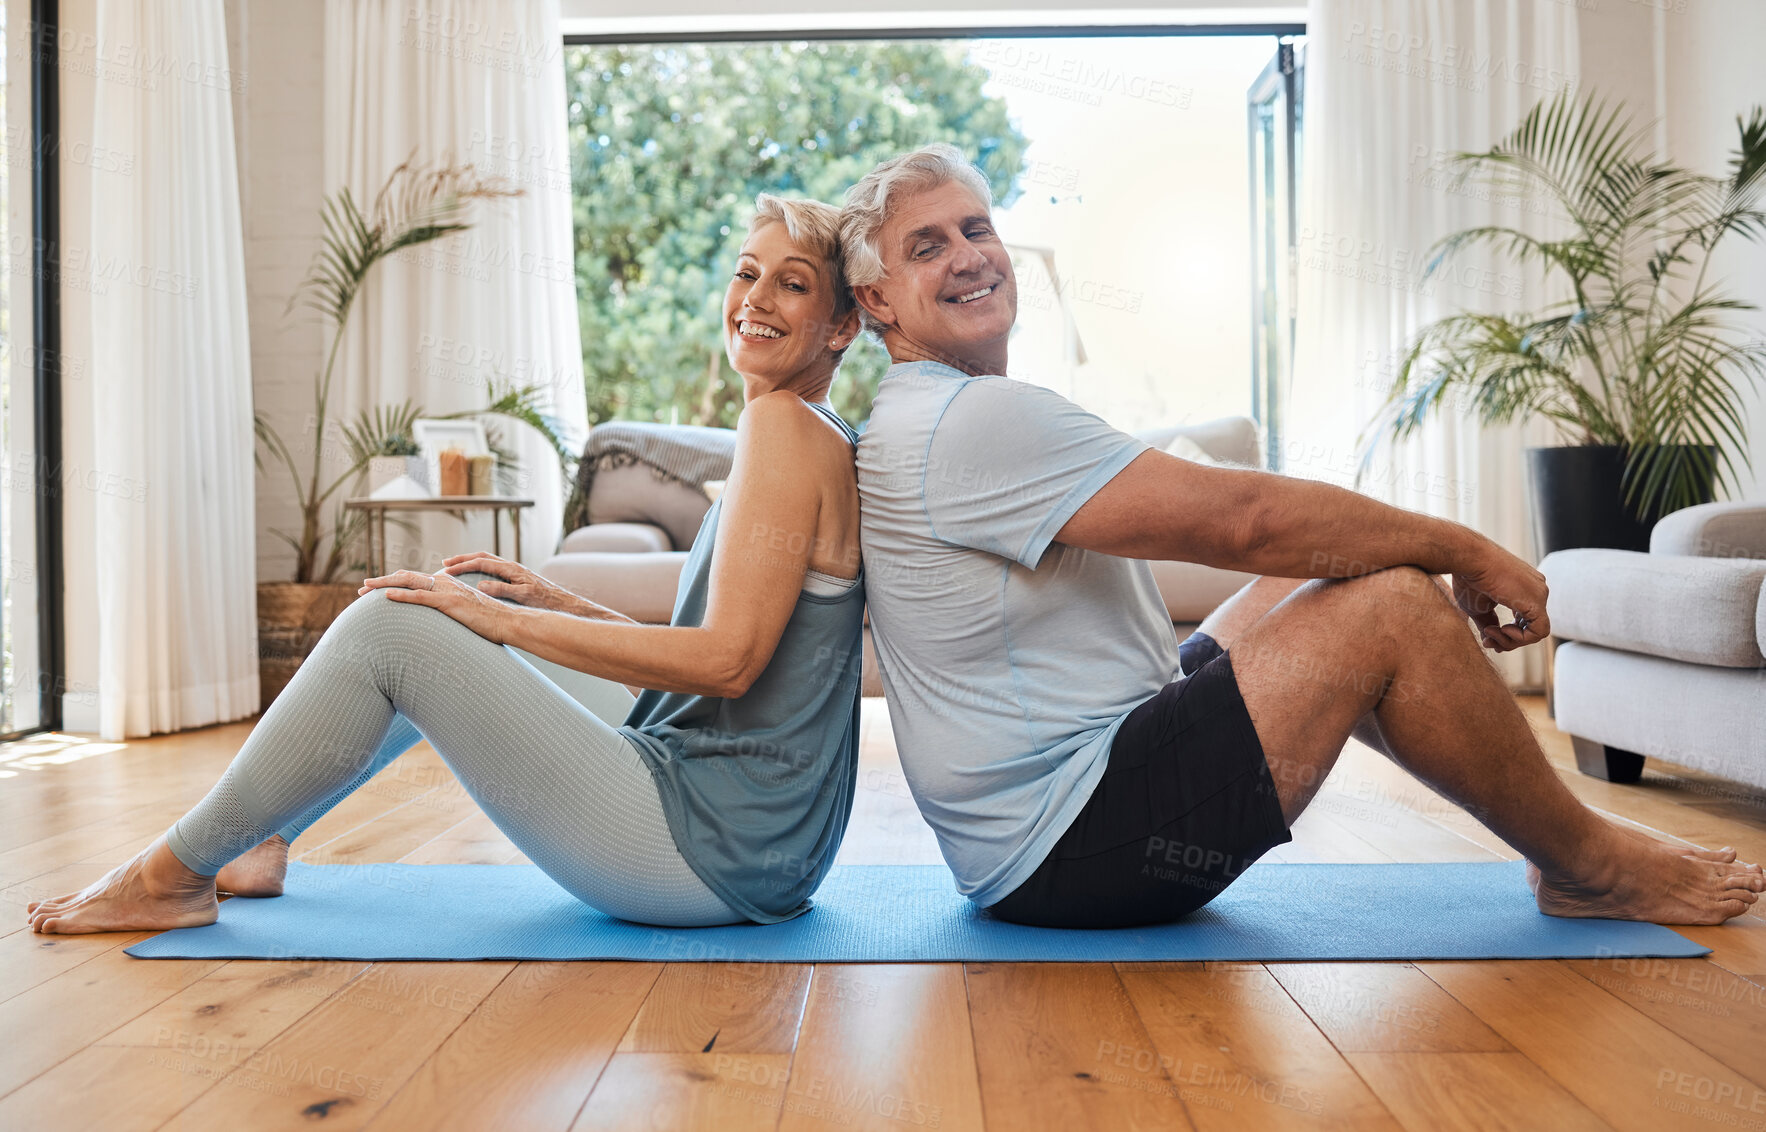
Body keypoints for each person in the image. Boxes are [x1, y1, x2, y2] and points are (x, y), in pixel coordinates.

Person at [839, 143, 1764, 929]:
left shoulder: (937, 413)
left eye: (977, 229)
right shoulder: (964, 422)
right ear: (878, 301)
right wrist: (1466, 549)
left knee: (1339, 574)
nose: (969, 256)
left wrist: (1418, 546)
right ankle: (1590, 863)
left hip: (1059, 813)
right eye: (927, 246)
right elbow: (1248, 521)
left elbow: (1282, 543)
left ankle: (1571, 845)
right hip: (1074, 848)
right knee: (1394, 604)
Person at [29, 194, 866, 933]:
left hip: (706, 846)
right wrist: (556, 604)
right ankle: (261, 840)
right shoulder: (806, 431)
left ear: (841, 325)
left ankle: (167, 877)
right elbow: (737, 659)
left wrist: (508, 622)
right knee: (451, 596)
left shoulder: (784, 430)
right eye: (746, 272)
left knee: (400, 623)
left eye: (791, 284)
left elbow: (726, 663)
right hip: (757, 843)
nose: (754, 299)